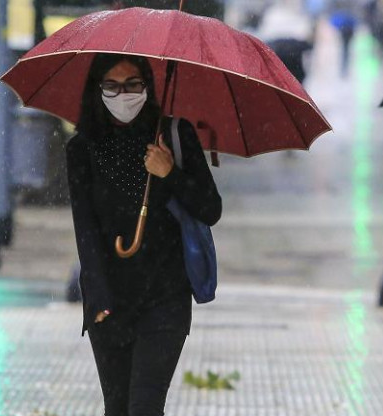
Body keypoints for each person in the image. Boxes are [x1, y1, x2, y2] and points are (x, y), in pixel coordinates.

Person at [66, 53, 222, 415]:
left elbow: (211, 209)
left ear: (148, 87)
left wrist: (170, 173)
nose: (124, 94)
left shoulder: (174, 135)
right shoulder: (82, 148)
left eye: (133, 84)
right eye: (112, 85)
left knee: (145, 407)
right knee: (117, 408)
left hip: (166, 297)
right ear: (97, 89)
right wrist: (99, 300)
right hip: (109, 300)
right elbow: (85, 230)